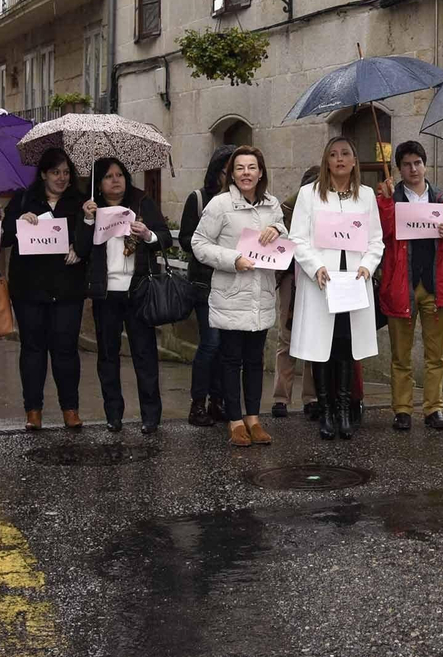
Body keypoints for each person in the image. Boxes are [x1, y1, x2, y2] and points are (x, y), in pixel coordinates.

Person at [190, 146, 289, 447]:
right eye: (240, 168)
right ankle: (235, 420)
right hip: (231, 294)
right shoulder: (220, 205)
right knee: (231, 360)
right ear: (232, 174)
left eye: (252, 167)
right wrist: (232, 259)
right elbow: (198, 242)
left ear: (261, 172)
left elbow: (283, 235)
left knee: (255, 360)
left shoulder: (272, 204)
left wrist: (276, 229)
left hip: (260, 293)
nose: (246, 173)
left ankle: (254, 419)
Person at [289, 137, 384, 441]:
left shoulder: (366, 196)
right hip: (322, 281)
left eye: (345, 153)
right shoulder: (309, 195)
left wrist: (368, 266)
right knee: (321, 348)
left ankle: (344, 410)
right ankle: (326, 410)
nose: (340, 159)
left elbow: (375, 240)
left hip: (352, 282)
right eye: (333, 154)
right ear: (325, 161)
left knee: (345, 345)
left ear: (355, 161)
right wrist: (315, 265)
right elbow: (298, 238)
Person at [376, 140, 443, 431]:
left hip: (435, 285)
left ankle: (434, 408)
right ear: (399, 169)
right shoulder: (391, 198)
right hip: (401, 284)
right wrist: (387, 203)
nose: (413, 169)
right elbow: (384, 236)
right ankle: (402, 409)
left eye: (417, 163)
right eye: (406, 164)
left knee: (435, 353)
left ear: (425, 165)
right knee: (401, 354)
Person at [1, 149, 90, 431]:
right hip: (30, 288)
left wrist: (80, 246)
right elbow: (4, 239)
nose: (61, 178)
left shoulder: (81, 203)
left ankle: (70, 409)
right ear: (43, 174)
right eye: (55, 172)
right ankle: (33, 410)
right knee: (33, 350)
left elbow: (91, 240)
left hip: (67, 288)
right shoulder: (24, 199)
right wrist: (17, 223)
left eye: (66, 172)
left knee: (66, 350)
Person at [82, 156, 172, 434]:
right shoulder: (91, 208)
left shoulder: (142, 202)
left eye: (120, 174)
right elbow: (81, 248)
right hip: (105, 292)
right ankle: (113, 415)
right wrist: (87, 219)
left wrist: (147, 235)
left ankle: (150, 416)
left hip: (138, 290)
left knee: (144, 354)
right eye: (108, 176)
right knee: (108, 355)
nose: (116, 180)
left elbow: (165, 237)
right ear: (99, 182)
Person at [179, 145, 235, 427]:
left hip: (232, 284)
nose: (234, 176)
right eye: (229, 170)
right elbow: (186, 239)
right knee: (210, 344)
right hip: (205, 283)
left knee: (226, 348)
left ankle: (218, 401)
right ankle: (197, 404)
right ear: (217, 170)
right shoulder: (199, 199)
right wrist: (212, 243)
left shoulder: (241, 202)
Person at [271, 167, 321, 418]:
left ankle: (311, 397)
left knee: (313, 340)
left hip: (316, 279)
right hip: (292, 277)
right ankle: (281, 397)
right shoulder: (287, 211)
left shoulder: (328, 210)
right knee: (287, 337)